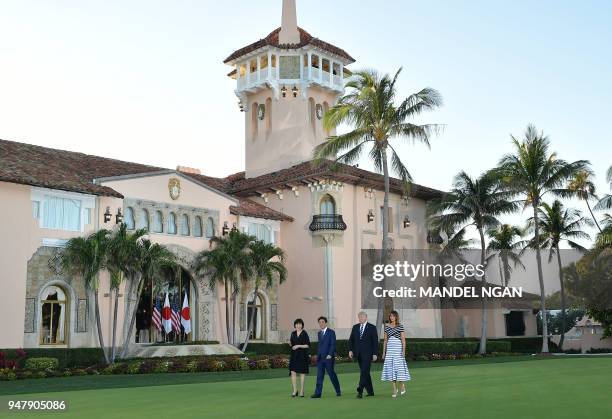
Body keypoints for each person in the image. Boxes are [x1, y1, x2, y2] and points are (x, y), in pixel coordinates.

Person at [348, 311, 378, 398]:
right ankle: (370, 391)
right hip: (358, 354)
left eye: (362, 317)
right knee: (365, 372)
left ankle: (360, 389)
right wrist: (350, 350)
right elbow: (351, 340)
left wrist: (375, 354)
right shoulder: (355, 327)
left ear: (366, 317)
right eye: (359, 317)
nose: (360, 318)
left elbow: (375, 342)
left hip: (368, 354)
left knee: (364, 371)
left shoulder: (372, 327)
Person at [381, 310, 411, 397]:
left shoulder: (400, 326)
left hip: (398, 350)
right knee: (391, 369)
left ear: (396, 317)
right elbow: (385, 340)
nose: (391, 317)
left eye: (393, 316)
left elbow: (403, 340)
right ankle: (394, 389)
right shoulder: (387, 327)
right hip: (390, 350)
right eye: (390, 316)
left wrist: (403, 351)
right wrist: (384, 353)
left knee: (399, 369)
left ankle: (402, 385)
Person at [311, 316, 341, 398]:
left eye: (322, 322)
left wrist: (330, 354)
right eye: (319, 322)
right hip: (320, 359)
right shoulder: (319, 333)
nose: (321, 324)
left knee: (332, 375)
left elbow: (333, 344)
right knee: (319, 376)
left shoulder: (331, 332)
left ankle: (338, 390)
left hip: (328, 358)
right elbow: (320, 345)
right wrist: (317, 355)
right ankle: (318, 393)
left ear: (326, 323)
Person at [289, 318, 310, 397]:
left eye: (300, 324)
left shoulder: (304, 333)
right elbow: (292, 344)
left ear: (302, 325)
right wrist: (290, 344)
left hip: (302, 355)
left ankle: (302, 390)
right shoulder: (293, 333)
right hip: (294, 355)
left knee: (302, 372)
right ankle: (295, 390)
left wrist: (298, 346)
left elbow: (307, 345)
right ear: (295, 325)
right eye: (297, 324)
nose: (298, 325)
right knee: (293, 372)